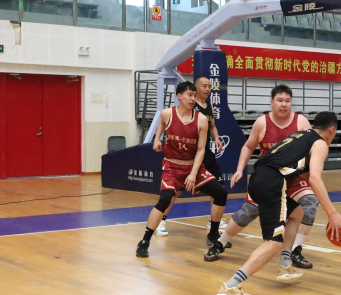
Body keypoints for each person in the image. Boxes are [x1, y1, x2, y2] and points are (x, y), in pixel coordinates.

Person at [215, 112, 341, 295]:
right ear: (332, 130)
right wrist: (332, 214)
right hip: (273, 183)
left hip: (258, 177)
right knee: (273, 243)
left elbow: (295, 168)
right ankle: (231, 287)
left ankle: (285, 264)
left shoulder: (300, 135)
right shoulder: (320, 144)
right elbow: (315, 179)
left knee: (297, 214)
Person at [205, 85, 319, 272]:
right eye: (280, 101)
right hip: (269, 179)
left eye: (287, 101)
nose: (284, 104)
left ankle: (294, 250)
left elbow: (312, 151)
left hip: (292, 178)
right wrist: (240, 169)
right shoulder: (261, 123)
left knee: (310, 203)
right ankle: (220, 242)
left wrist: (310, 173)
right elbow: (248, 147)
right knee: (247, 212)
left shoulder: (301, 122)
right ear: (272, 102)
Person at [136, 81, 228, 258]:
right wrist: (157, 139)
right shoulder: (167, 113)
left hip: (193, 167)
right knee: (165, 200)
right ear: (179, 96)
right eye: (189, 95)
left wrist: (193, 174)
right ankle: (145, 241)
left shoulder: (201, 119)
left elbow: (201, 150)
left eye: (194, 95)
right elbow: (162, 123)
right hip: (172, 167)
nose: (193, 98)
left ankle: (213, 234)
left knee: (220, 193)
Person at [155, 76, 228, 240]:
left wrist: (216, 138)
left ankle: (213, 221)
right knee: (175, 192)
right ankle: (161, 221)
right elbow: (163, 120)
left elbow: (212, 126)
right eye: (204, 86)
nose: (207, 89)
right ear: (195, 88)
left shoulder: (209, 107)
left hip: (204, 151)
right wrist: (157, 139)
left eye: (209, 86)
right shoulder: (185, 107)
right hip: (187, 155)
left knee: (219, 187)